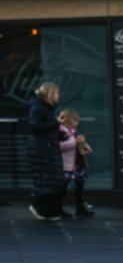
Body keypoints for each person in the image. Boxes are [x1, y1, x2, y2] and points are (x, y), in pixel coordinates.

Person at [27, 82, 65, 222]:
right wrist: (56, 124)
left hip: (47, 147)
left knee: (53, 179)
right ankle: (38, 207)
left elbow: (46, 128)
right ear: (50, 94)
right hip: (41, 149)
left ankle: (48, 211)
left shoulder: (47, 108)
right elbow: (35, 126)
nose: (58, 96)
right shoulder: (37, 107)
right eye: (56, 93)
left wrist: (61, 135)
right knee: (45, 179)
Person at [56, 108, 93, 217]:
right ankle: (58, 209)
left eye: (77, 120)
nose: (77, 122)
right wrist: (75, 142)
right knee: (62, 188)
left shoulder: (72, 131)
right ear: (68, 120)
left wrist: (82, 143)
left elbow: (75, 145)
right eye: (75, 120)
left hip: (77, 164)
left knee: (80, 185)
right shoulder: (61, 131)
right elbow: (60, 147)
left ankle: (80, 208)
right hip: (67, 165)